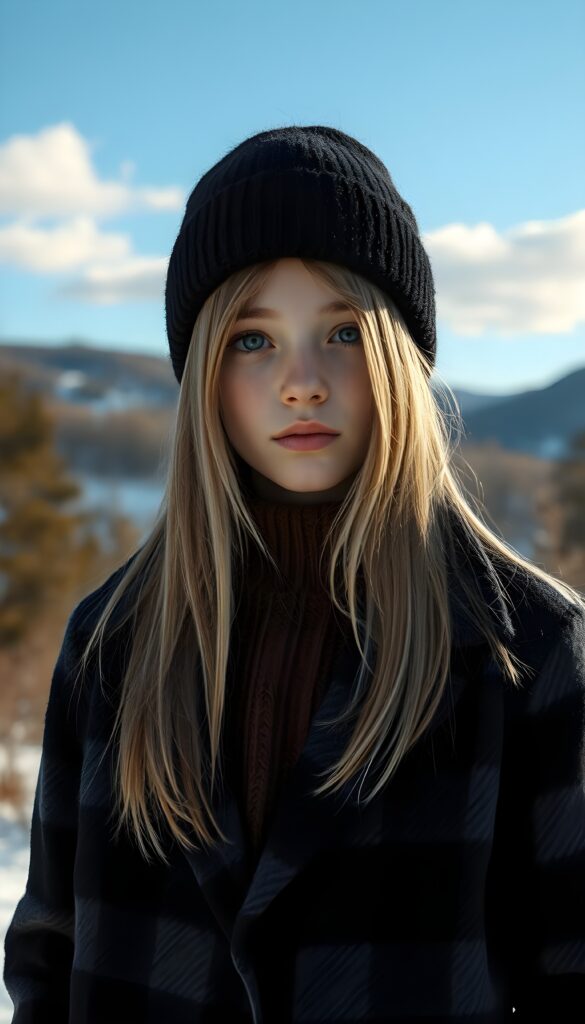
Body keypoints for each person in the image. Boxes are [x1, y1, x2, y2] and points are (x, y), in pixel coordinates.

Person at [4, 124, 585, 1023]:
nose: (301, 382)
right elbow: (49, 952)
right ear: (202, 370)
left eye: (343, 332)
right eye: (251, 339)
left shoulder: (529, 648)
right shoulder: (114, 639)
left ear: (401, 357)